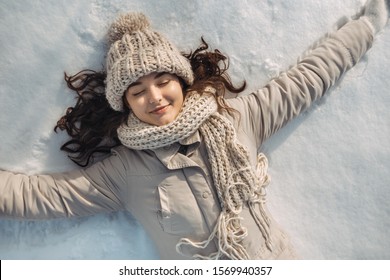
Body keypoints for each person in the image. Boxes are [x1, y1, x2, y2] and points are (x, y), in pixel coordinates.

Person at [0, 0, 389, 260]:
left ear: (181, 80)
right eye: (137, 91)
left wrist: (368, 26)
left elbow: (308, 78)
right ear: (125, 103)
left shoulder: (236, 118)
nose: (153, 96)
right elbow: (43, 197)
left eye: (162, 80)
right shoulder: (123, 172)